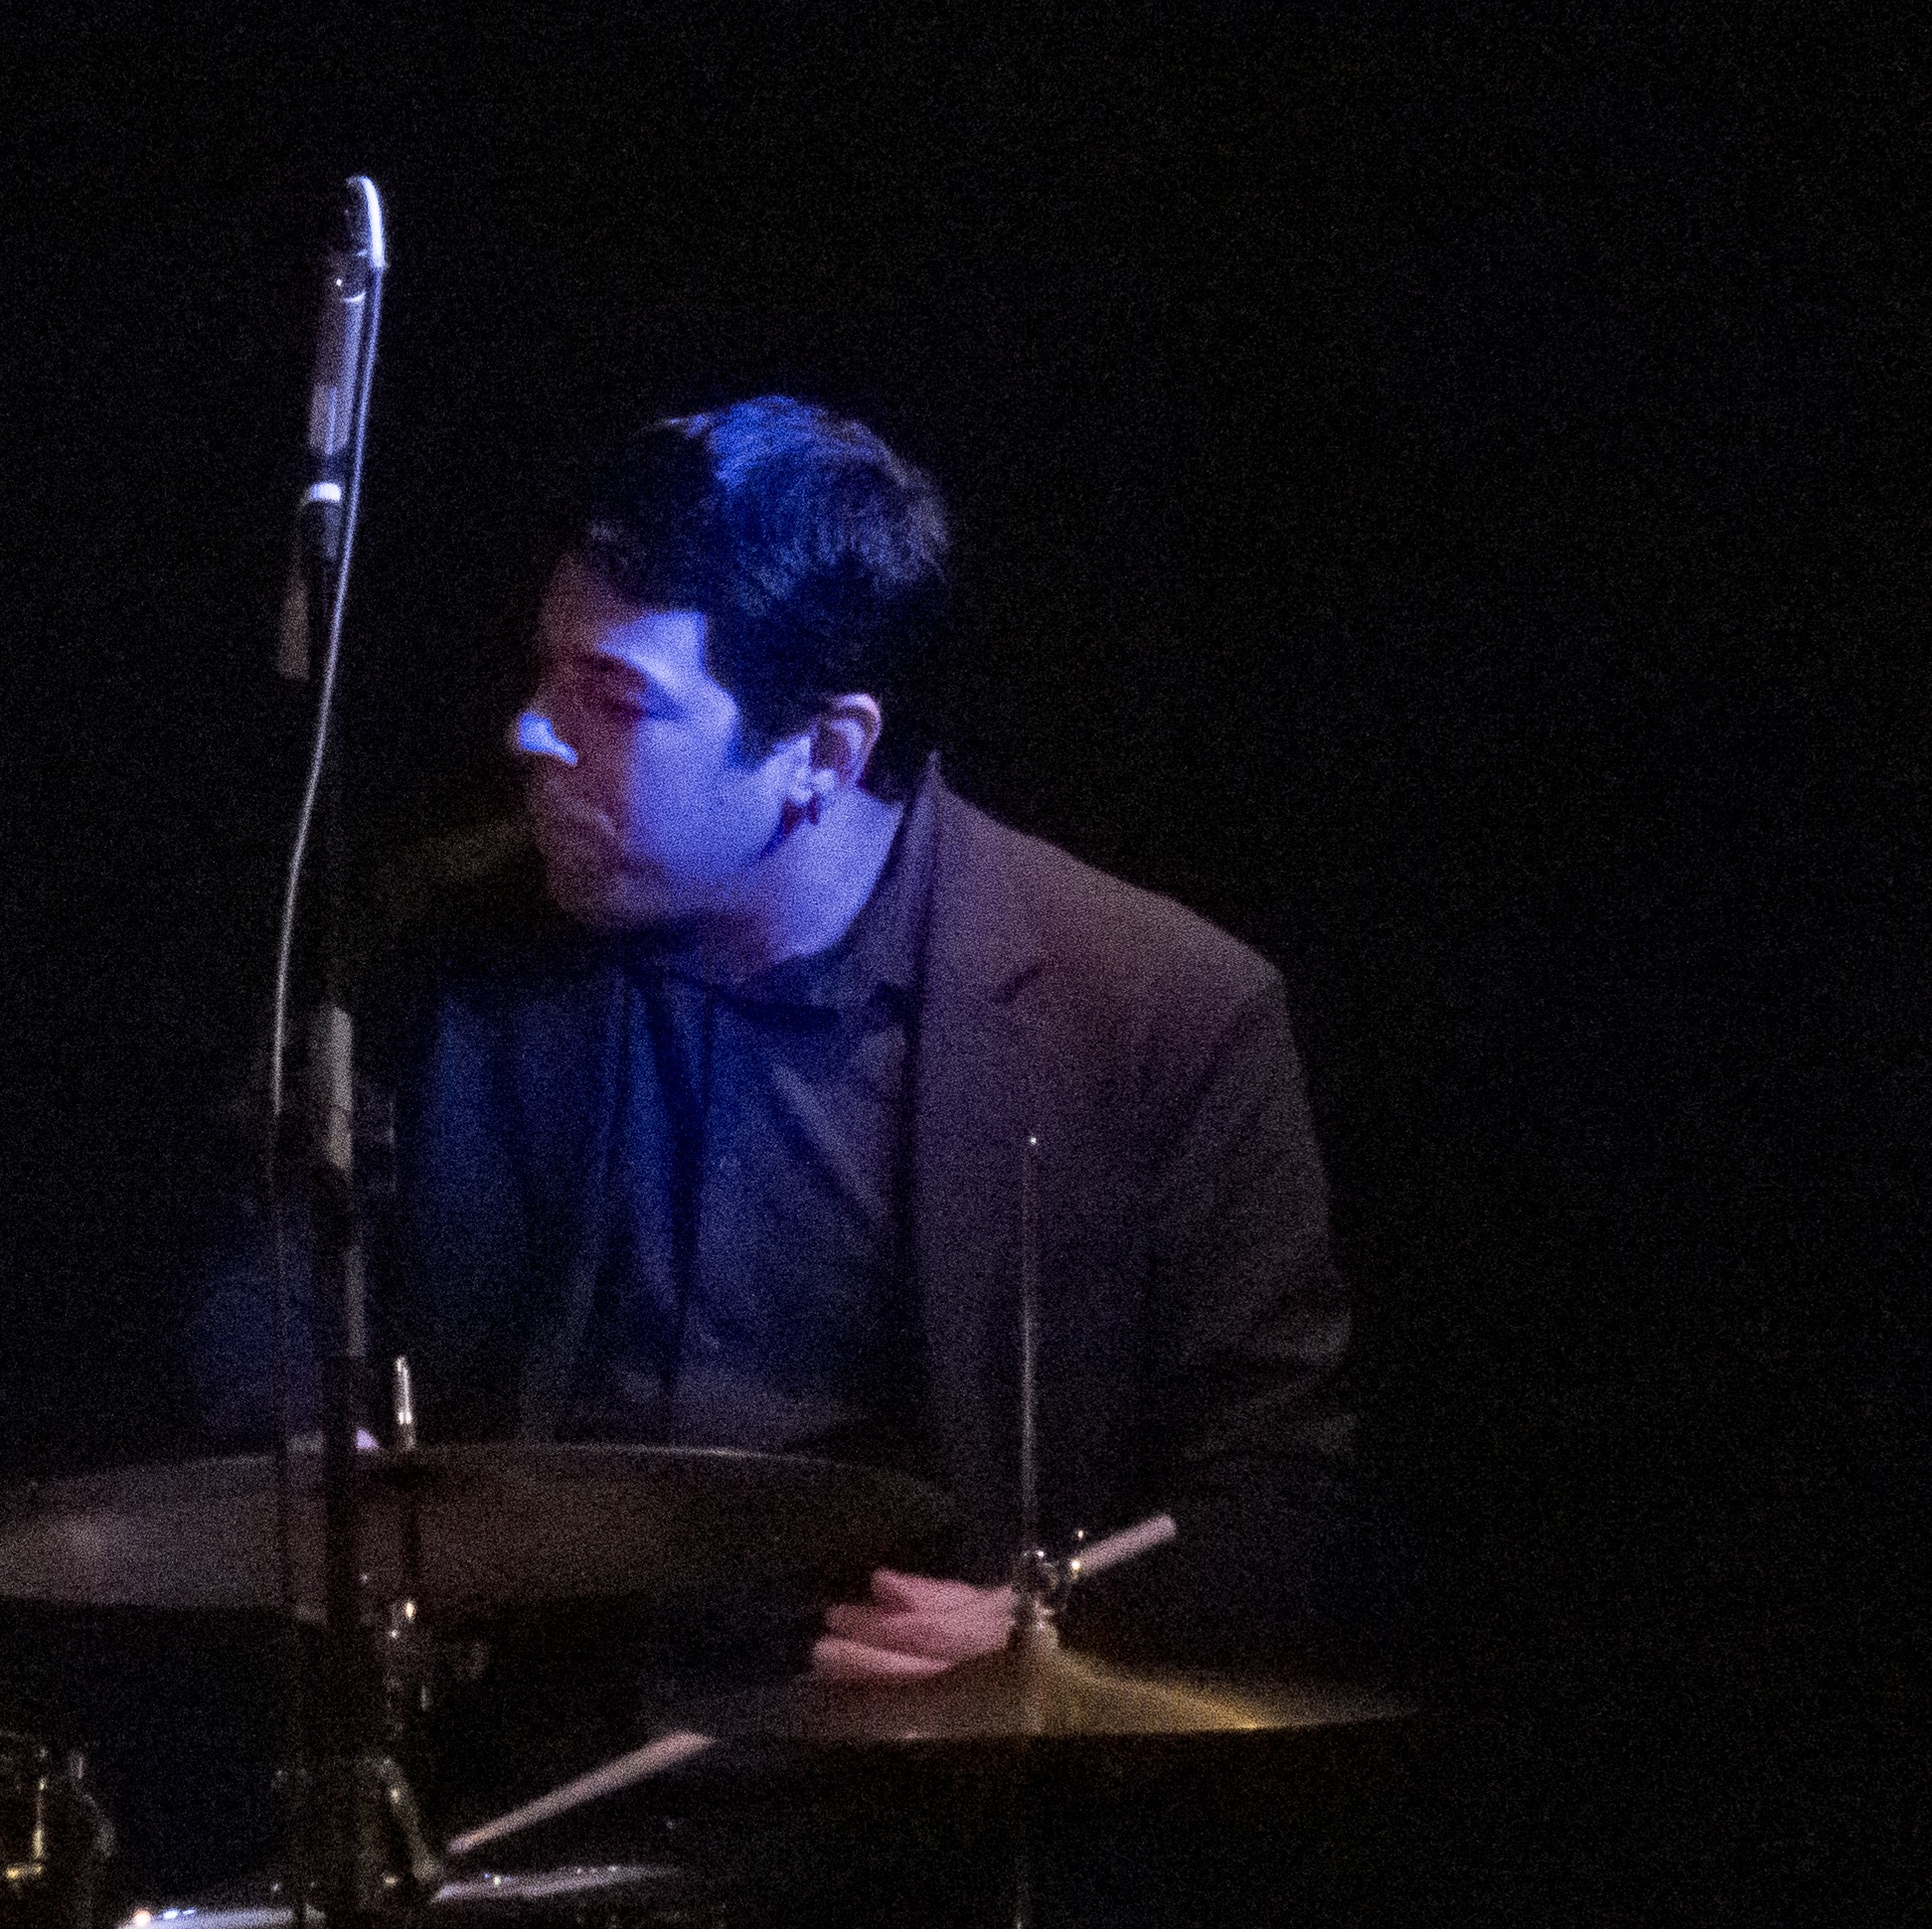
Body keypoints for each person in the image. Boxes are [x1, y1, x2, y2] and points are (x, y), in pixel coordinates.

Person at [196, 393, 1358, 1681]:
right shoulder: (433, 939)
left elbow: (1280, 1495)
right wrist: (309, 1448)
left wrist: (1046, 1625)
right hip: (526, 1751)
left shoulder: (1159, 1013)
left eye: (612, 697)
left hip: (920, 1773)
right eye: (545, 669)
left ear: (824, 751)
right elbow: (264, 1274)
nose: (529, 730)